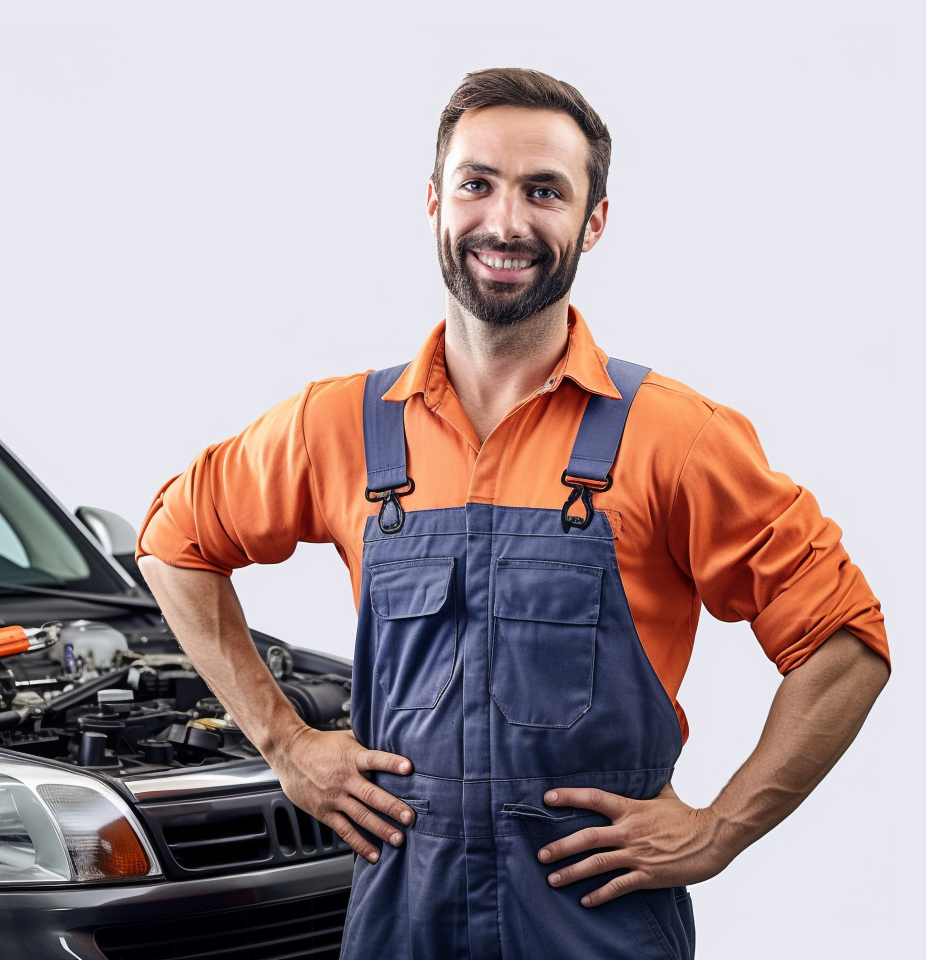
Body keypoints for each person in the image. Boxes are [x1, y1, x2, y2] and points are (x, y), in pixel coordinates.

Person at [136, 68, 889, 960]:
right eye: (477, 183)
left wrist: (721, 828)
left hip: (593, 925)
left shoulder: (676, 437)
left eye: (545, 191)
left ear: (593, 222)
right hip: (401, 919)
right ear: (433, 202)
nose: (505, 222)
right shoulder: (337, 426)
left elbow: (844, 641)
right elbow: (173, 542)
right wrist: (286, 743)